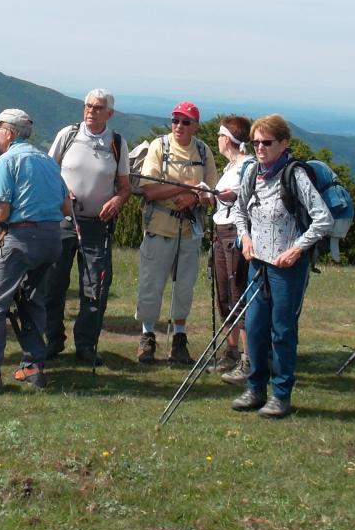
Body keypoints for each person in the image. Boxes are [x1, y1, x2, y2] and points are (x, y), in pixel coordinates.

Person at [0, 109, 70, 393]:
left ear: (9, 132)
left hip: (22, 238)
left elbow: (2, 210)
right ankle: (33, 368)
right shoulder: (47, 160)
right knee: (32, 301)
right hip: (51, 238)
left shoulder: (5, 162)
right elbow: (66, 206)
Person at [230, 114, 333, 418]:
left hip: (287, 268)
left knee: (282, 331)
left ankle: (281, 394)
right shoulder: (252, 173)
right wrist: (245, 238)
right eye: (256, 142)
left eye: (267, 142)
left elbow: (323, 219)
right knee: (255, 327)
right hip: (257, 264)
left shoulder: (294, 176)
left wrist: (297, 249)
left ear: (283, 143)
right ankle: (255, 389)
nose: (260, 147)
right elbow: (239, 211)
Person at [42, 89, 130, 364]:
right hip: (62, 223)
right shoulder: (67, 135)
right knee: (53, 285)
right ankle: (52, 341)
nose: (91, 111)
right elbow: (47, 171)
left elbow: (125, 187)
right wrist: (61, 194)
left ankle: (86, 345)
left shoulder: (116, 142)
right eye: (88, 106)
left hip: (98, 225)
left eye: (98, 107)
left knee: (95, 287)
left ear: (109, 113)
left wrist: (117, 200)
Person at [134, 102, 218, 365]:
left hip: (189, 230)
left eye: (186, 121)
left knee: (184, 287)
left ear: (195, 125)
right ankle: (147, 336)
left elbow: (212, 195)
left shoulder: (204, 152)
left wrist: (192, 199)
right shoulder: (159, 147)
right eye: (175, 120)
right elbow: (149, 190)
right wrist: (188, 187)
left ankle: (179, 338)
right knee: (151, 285)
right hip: (159, 227)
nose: (179, 126)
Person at [209, 115, 255, 383]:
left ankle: (249, 359)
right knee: (226, 294)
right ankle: (232, 351)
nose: (217, 139)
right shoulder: (231, 166)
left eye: (219, 135)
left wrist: (213, 194)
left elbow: (236, 196)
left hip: (234, 235)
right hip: (221, 232)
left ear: (227, 138)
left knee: (239, 292)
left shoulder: (246, 166)